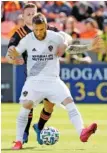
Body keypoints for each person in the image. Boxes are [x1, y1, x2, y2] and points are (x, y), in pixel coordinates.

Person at [7, 13, 99, 150]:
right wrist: (12, 57)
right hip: (34, 81)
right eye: (36, 29)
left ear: (46, 26)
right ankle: (19, 141)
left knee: (69, 102)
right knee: (25, 107)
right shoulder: (27, 39)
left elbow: (70, 48)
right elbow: (12, 54)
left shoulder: (55, 36)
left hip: (53, 80)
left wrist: (88, 47)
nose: (39, 33)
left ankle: (82, 132)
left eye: (41, 29)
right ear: (33, 28)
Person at [7, 3, 73, 145]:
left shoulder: (47, 29)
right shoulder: (19, 34)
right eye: (28, 14)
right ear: (23, 17)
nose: (31, 16)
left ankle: (39, 127)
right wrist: (13, 58)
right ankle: (24, 133)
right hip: (33, 76)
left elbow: (66, 36)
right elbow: (9, 53)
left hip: (51, 75)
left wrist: (65, 44)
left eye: (33, 13)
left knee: (49, 106)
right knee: (28, 105)